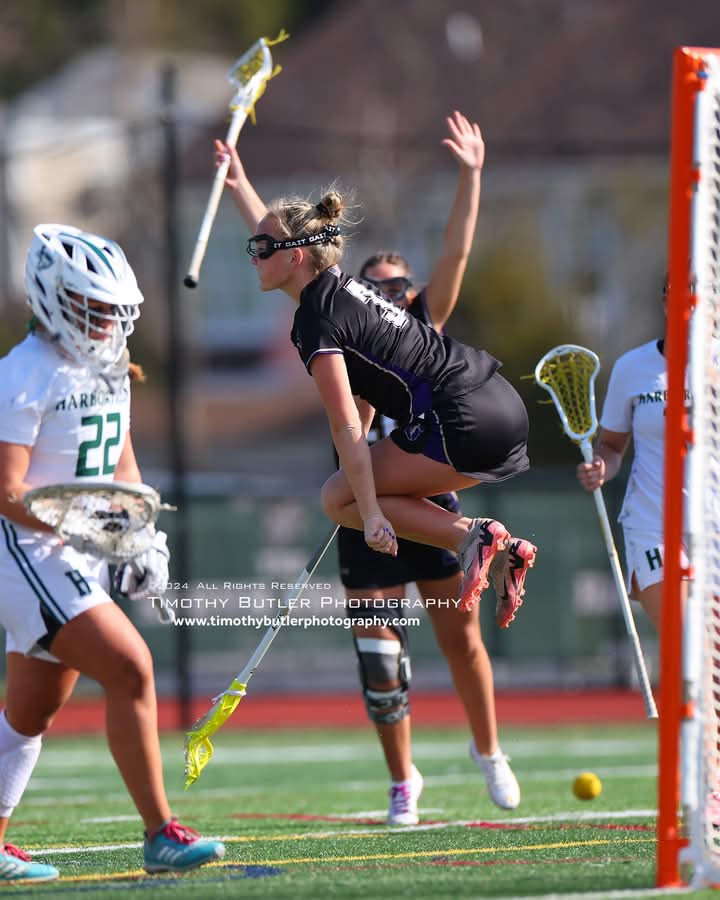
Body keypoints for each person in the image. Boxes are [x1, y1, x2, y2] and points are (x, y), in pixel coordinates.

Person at [216, 109, 537, 805]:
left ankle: (475, 537)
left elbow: (342, 424)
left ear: (298, 255)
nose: (255, 257)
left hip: (453, 426)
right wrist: (242, 185)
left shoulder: (319, 316)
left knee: (337, 497)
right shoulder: (337, 288)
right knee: (378, 644)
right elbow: (284, 241)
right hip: (497, 411)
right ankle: (405, 779)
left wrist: (368, 513)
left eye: (262, 249)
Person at [0, 224, 225, 883]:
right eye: (92, 305)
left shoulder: (105, 364)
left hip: (72, 554)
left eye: (111, 308)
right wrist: (91, 528)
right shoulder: (22, 373)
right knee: (131, 666)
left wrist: (138, 532)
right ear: (53, 297)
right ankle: (161, 831)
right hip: (31, 554)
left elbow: (121, 462)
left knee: (30, 711)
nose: (105, 320)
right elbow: (7, 489)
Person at [318, 112, 524, 825]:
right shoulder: (342, 338)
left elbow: (457, 251)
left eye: (400, 284)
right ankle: (404, 781)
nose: (393, 294)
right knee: (380, 660)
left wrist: (471, 174)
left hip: (429, 509)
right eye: (378, 287)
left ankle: (488, 749)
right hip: (372, 502)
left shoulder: (426, 329)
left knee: (460, 640)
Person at [576, 278, 679, 633]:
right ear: (665, 302)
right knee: (680, 639)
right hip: (652, 524)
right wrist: (602, 467)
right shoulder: (632, 367)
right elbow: (612, 446)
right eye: (678, 293)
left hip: (708, 526)